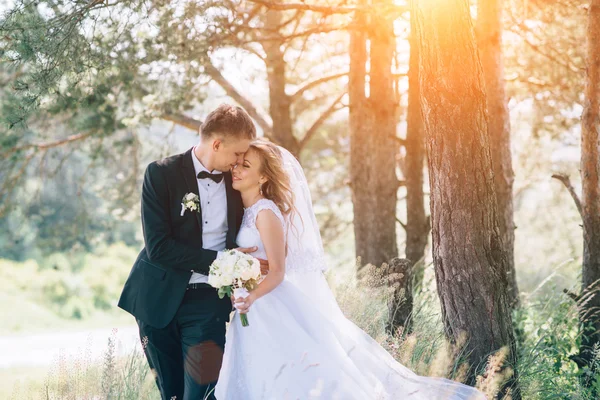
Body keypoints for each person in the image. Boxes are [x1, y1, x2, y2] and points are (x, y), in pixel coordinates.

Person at [215, 139, 487, 400]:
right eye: (237, 164)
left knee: (292, 371)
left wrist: (250, 296)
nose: (236, 169)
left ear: (264, 177)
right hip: (253, 305)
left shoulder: (265, 213)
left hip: (266, 303)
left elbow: (277, 271)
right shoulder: (247, 210)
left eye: (245, 165)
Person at [118, 104, 263, 400]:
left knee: (202, 393)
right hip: (157, 300)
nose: (240, 162)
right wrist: (225, 261)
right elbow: (159, 247)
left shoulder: (237, 182)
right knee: (171, 393)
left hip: (209, 302)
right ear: (217, 143)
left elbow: (261, 218)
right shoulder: (160, 174)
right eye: (237, 154)